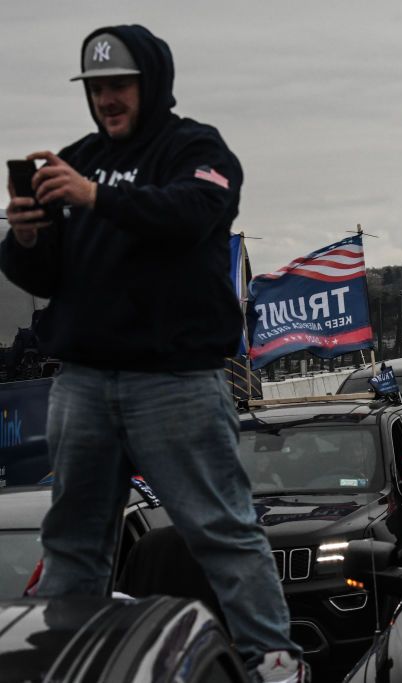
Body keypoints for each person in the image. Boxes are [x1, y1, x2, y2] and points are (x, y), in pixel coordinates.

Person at [0, 26, 304, 683]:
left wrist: (94, 196)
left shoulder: (194, 148)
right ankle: (62, 661)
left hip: (176, 381)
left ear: (151, 84)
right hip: (83, 381)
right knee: (72, 541)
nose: (107, 99)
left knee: (220, 529)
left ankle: (273, 661)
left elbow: (193, 211)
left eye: (119, 85)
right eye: (97, 88)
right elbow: (46, 276)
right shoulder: (76, 158)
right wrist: (25, 236)